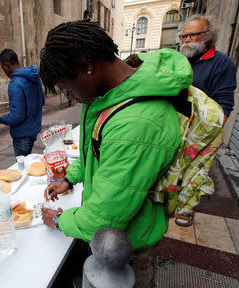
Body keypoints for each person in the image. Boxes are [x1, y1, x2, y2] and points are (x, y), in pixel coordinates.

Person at [39, 21, 189, 251]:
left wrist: (59, 220)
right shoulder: (117, 93)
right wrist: (69, 178)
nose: (73, 95)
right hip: (114, 227)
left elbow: (102, 219)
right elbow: (98, 151)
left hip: (120, 241)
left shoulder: (136, 124)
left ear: (87, 65)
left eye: (68, 86)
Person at [179, 14, 237, 122]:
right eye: (184, 36)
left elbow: (223, 108)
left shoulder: (222, 63)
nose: (187, 40)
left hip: (198, 130)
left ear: (208, 36)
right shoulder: (180, 61)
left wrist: (207, 136)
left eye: (193, 35)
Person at [0, 49, 45, 157]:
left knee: (22, 168)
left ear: (7, 65)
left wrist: (1, 119)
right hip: (33, 130)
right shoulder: (34, 77)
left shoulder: (15, 83)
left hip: (22, 134)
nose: (4, 72)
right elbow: (41, 100)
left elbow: (17, 116)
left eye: (3, 68)